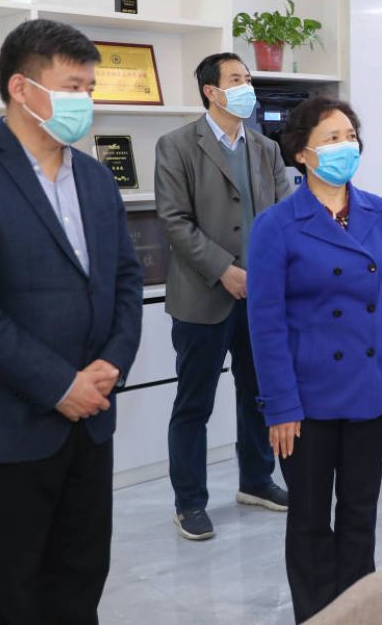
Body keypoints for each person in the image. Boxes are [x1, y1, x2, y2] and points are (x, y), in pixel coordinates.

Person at [0, 19, 144, 624]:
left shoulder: (95, 176)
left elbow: (125, 280)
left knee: (81, 579)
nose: (85, 101)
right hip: (4, 425)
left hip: (90, 421)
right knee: (12, 593)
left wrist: (112, 363)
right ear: (22, 88)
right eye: (73, 87)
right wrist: (59, 385)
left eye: (90, 88)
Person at [246, 96, 382, 623]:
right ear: (302, 153)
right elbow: (266, 324)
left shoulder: (381, 212)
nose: (346, 146)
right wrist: (280, 406)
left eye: (350, 135)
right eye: (332, 138)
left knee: (359, 515)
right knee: (308, 520)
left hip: (370, 387)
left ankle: (358, 613)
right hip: (306, 399)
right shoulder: (276, 225)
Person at [155, 52, 292, 541]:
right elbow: (174, 221)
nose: (246, 86)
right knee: (194, 404)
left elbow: (283, 215)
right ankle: (189, 501)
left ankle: (256, 480)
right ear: (211, 91)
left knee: (259, 395)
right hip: (203, 297)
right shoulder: (176, 146)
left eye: (248, 78)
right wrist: (224, 270)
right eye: (236, 79)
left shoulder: (266, 148)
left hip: (260, 298)